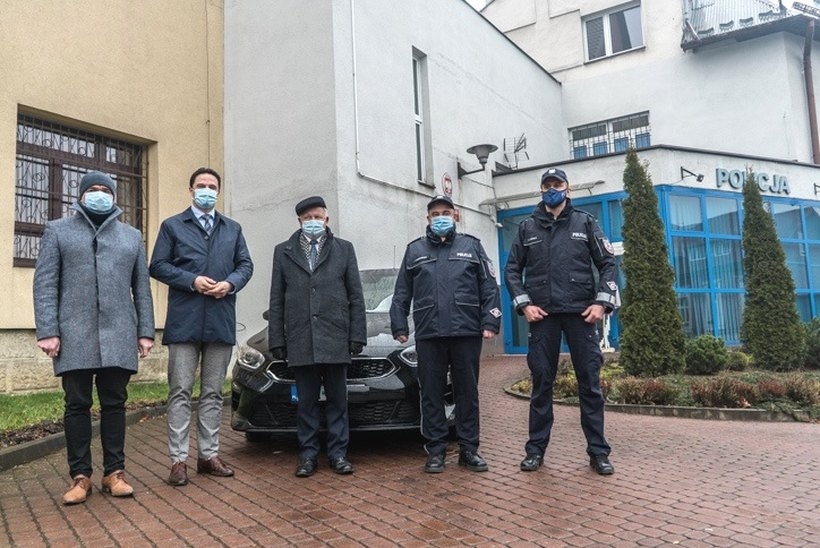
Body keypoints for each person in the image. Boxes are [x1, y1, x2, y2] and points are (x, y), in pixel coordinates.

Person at [33, 171, 155, 504]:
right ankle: (80, 476)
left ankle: (114, 473)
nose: (100, 194)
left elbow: (142, 288)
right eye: (94, 189)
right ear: (82, 195)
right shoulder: (58, 230)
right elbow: (45, 283)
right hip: (74, 332)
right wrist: (48, 330)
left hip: (119, 331)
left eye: (105, 190)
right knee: (77, 404)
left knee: (115, 403)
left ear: (114, 197)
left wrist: (145, 331)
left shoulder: (131, 236)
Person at [504, 167, 619, 475]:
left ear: (568, 189)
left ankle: (598, 453)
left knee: (589, 384)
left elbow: (608, 264)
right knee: (541, 383)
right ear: (541, 190)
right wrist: (524, 304)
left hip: (581, 315)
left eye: (558, 184)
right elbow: (512, 270)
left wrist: (601, 303)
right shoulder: (527, 227)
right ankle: (535, 451)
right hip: (543, 317)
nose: (552, 189)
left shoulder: (585, 222)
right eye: (547, 185)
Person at [150, 167, 253, 486]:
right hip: (185, 321)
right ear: (191, 190)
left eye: (212, 186)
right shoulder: (172, 226)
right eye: (201, 185)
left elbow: (245, 265)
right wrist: (191, 280)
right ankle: (178, 460)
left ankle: (208, 455)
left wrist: (230, 284)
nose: (207, 190)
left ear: (218, 192)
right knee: (180, 391)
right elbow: (158, 265)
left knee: (213, 393)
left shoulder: (232, 228)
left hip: (220, 320)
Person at [390, 195, 501, 474]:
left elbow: (489, 287)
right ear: (428, 219)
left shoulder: (472, 246)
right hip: (429, 333)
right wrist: (399, 325)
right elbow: (402, 291)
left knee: (467, 393)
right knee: (431, 393)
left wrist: (490, 321)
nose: (441, 217)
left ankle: (469, 449)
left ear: (455, 215)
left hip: (466, 331)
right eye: (435, 213)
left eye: (446, 212)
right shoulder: (414, 250)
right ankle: (436, 450)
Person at [268, 196, 366, 478]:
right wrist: (277, 340)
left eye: (318, 217)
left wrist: (356, 335)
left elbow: (355, 296)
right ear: (299, 221)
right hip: (301, 338)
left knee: (337, 402)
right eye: (308, 218)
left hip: (335, 337)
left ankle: (338, 454)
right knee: (306, 404)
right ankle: (308, 456)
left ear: (327, 219)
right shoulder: (284, 251)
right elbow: (277, 299)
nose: (314, 222)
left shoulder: (344, 249)